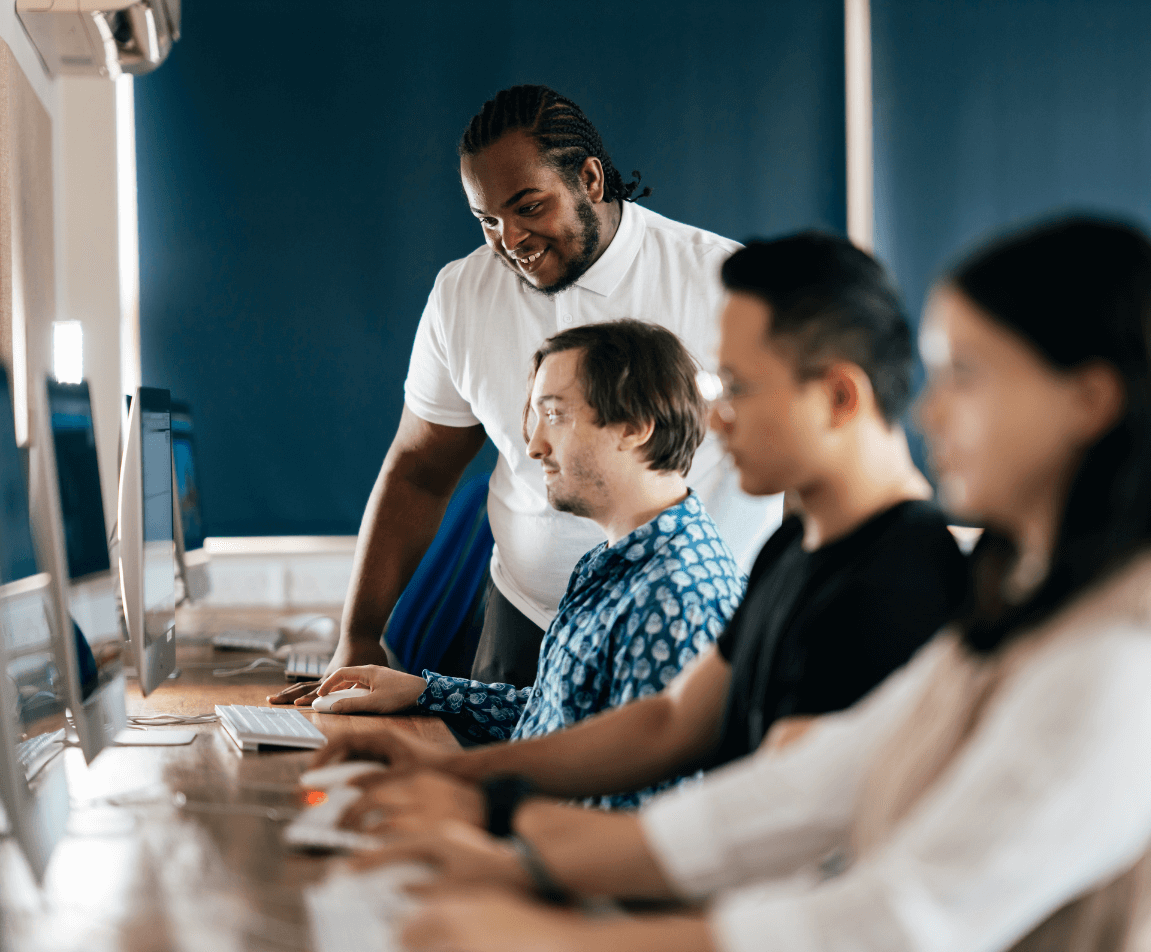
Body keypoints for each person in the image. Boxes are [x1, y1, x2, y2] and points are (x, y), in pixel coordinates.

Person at [348, 216, 1151, 952]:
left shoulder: (1135, 659)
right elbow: (800, 795)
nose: (928, 405)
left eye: (968, 374)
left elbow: (898, 920)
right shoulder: (1039, 611)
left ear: (1090, 399)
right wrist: (507, 835)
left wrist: (547, 921)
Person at [312, 233, 969, 807]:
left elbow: (767, 836)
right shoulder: (792, 549)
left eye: (735, 387)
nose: (714, 419)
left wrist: (488, 829)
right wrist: (446, 767)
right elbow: (663, 726)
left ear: (837, 396)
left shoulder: (898, 591)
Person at [279, 84, 780, 695]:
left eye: (529, 207)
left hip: (694, 625)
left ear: (590, 179)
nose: (510, 240)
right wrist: (357, 635)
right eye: (488, 219)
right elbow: (419, 471)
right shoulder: (463, 294)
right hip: (529, 623)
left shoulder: (725, 284)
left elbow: (800, 457)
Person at [285, 321, 743, 808]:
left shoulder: (675, 598)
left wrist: (462, 813)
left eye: (554, 415)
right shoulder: (615, 559)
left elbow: (635, 821)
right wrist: (422, 692)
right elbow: (563, 714)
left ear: (634, 427)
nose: (533, 445)